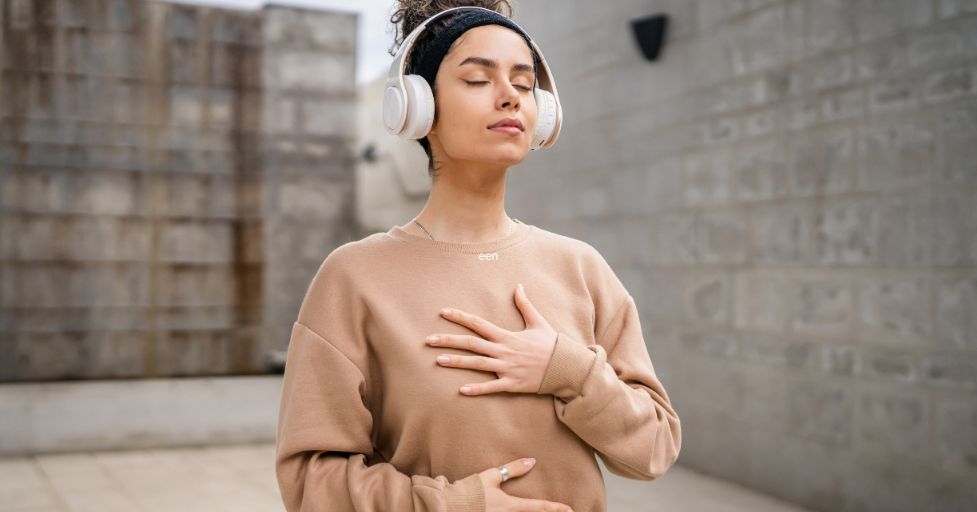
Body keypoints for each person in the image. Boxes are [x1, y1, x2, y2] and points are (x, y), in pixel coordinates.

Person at [274, 2, 682, 511]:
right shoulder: (353, 278)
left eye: (524, 81)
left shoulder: (582, 268)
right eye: (477, 80)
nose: (510, 96)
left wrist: (567, 370)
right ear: (419, 108)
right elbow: (310, 481)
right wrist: (455, 504)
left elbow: (653, 451)